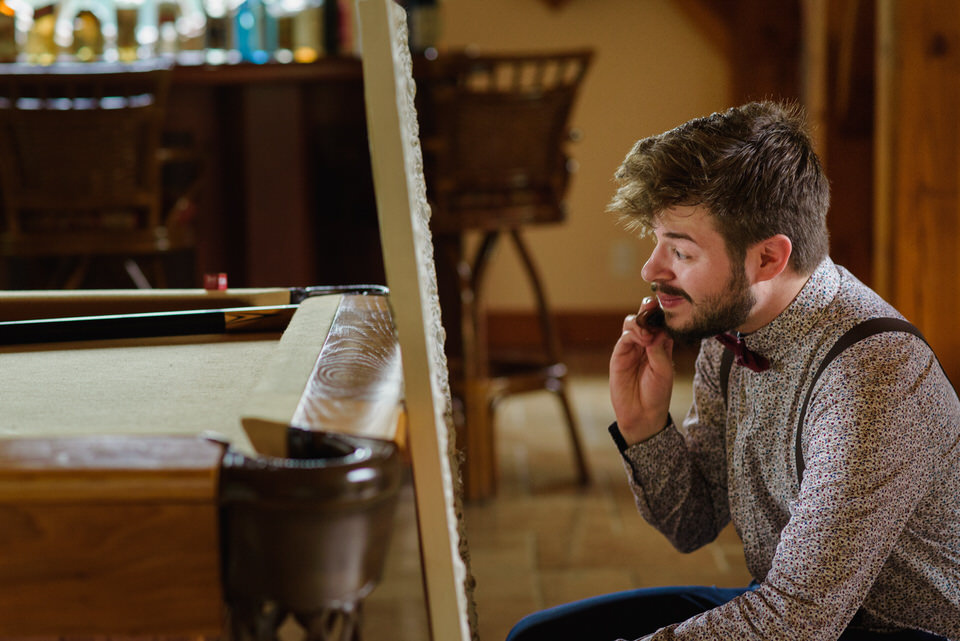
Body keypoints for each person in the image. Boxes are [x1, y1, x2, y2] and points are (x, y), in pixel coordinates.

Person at [505, 102, 960, 641]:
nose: (652, 269)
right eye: (657, 242)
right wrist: (645, 426)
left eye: (681, 251)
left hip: (892, 631)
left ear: (768, 259)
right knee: (536, 637)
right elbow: (692, 522)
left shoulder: (875, 376)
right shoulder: (729, 335)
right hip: (790, 608)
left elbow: (796, 623)